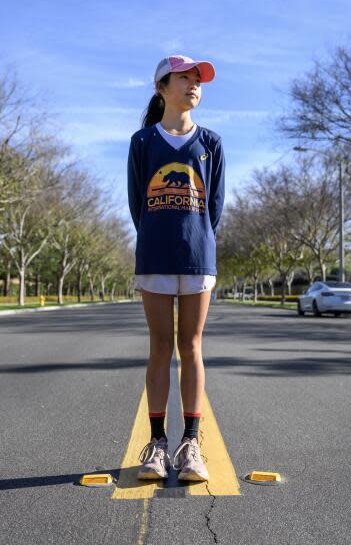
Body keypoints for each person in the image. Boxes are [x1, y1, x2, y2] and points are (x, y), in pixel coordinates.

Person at [127, 55, 225, 482]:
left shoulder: (212, 144)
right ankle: (157, 446)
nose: (193, 85)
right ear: (161, 88)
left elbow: (214, 208)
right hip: (155, 257)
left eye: (197, 80)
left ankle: (190, 445)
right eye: (184, 78)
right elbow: (137, 205)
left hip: (197, 257)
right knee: (160, 348)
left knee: (192, 347)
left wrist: (196, 239)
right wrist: (157, 235)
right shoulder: (143, 142)